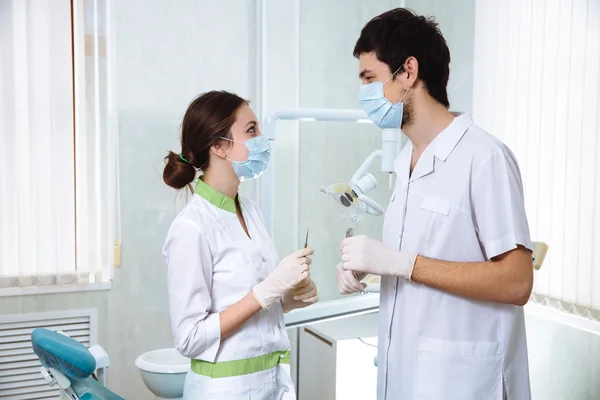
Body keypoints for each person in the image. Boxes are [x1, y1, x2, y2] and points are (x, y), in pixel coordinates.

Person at [336, 8, 534, 400]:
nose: (364, 95)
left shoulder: (484, 157)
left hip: (464, 383)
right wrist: (370, 271)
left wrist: (402, 263)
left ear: (408, 72)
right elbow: (430, 266)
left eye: (370, 79)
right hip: (407, 378)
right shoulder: (405, 165)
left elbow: (517, 281)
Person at [162, 90, 318, 399]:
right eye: (252, 130)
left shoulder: (250, 210)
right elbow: (189, 338)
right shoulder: (191, 227)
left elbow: (248, 303)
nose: (262, 138)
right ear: (220, 146)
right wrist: (266, 291)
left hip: (269, 382)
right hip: (224, 390)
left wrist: (288, 296)